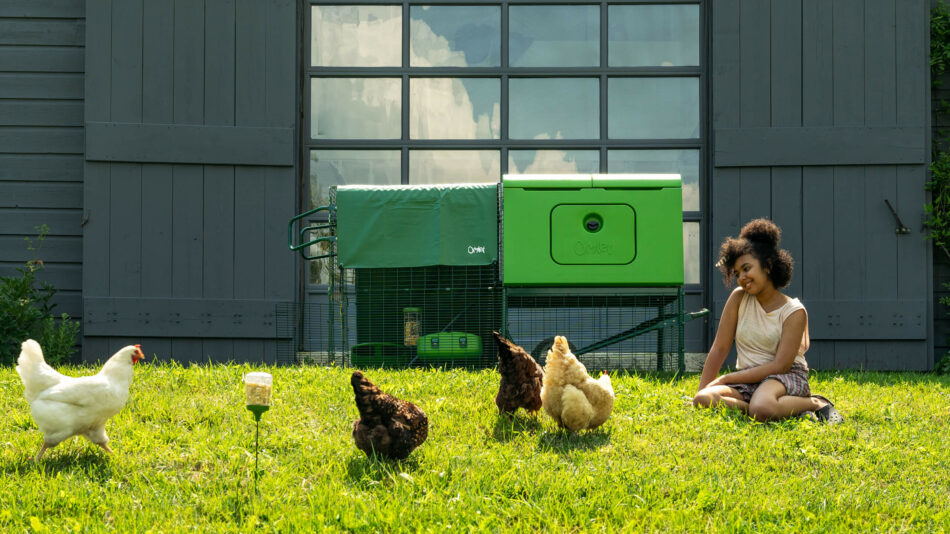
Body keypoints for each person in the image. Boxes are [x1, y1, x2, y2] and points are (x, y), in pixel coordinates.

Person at [693, 218, 843, 423]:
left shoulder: (793, 311)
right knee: (703, 399)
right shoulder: (738, 298)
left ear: (768, 266)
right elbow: (719, 348)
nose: (742, 277)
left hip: (785, 377)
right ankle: (772, 408)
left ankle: (815, 403)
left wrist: (726, 378)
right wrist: (702, 390)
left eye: (747, 268)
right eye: (737, 273)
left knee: (762, 407)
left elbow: (780, 365)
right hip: (749, 379)